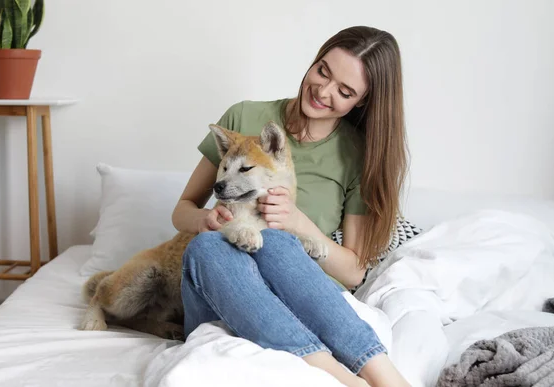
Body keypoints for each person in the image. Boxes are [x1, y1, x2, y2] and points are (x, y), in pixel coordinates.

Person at [172, 26, 410, 387]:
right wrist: (206, 218)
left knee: (280, 242)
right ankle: (341, 378)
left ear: (361, 102)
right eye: (322, 72)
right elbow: (182, 210)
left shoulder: (358, 155)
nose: (323, 91)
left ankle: (389, 380)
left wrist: (298, 222)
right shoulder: (242, 118)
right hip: (223, 294)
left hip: (306, 302)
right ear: (314, 61)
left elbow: (353, 272)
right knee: (207, 246)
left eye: (344, 92)